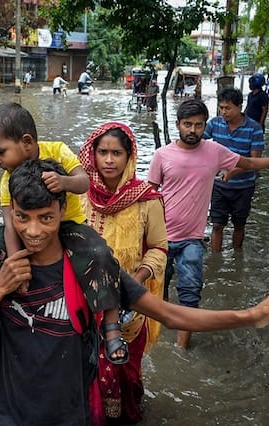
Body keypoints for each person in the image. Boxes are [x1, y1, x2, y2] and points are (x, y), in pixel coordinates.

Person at [0, 157, 269, 426]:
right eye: (23, 217)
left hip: (73, 416)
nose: (34, 230)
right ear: (12, 213)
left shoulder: (90, 265)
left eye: (46, 217)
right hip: (6, 415)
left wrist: (251, 316)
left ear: (62, 211)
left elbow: (170, 313)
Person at [0, 102, 129, 365]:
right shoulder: (7, 178)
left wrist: (63, 182)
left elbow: (84, 182)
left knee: (101, 254)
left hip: (69, 227)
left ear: (26, 142)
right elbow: (10, 222)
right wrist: (17, 267)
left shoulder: (57, 150)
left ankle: (112, 325)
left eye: (0, 152)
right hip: (24, 232)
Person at [147, 99, 269, 349]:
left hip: (192, 239)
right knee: (154, 295)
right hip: (160, 239)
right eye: (187, 124)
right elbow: (149, 195)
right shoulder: (162, 155)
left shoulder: (214, 151)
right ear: (177, 125)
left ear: (205, 125)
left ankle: (180, 349)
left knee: (190, 295)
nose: (192, 130)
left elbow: (250, 164)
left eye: (198, 125)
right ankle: (153, 343)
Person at [79, 122, 167, 424]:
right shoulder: (80, 194)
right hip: (84, 302)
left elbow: (159, 248)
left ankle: (127, 415)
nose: (108, 160)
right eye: (102, 152)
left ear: (129, 156)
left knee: (126, 372)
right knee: (88, 371)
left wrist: (137, 280)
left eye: (116, 153)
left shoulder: (148, 199)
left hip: (129, 306)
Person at [205, 88, 265, 253]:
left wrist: (232, 172)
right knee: (217, 225)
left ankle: (237, 255)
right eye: (221, 107)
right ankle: (216, 260)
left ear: (240, 106)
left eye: (228, 108)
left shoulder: (254, 129)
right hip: (219, 186)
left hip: (243, 187)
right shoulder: (215, 123)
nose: (224, 112)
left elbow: (255, 160)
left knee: (239, 224)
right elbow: (197, 140)